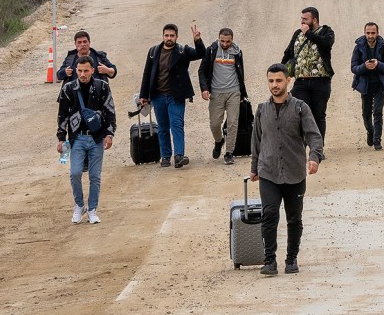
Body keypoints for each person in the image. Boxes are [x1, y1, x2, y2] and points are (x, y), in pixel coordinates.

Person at [250, 63, 324, 275]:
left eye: (279, 80)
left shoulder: (301, 108)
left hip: (294, 173)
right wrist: (254, 167)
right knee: (270, 214)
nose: (274, 85)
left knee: (294, 218)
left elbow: (313, 135)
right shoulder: (262, 109)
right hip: (268, 172)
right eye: (271, 81)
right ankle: (269, 260)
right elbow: (256, 140)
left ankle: (291, 259)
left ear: (288, 81)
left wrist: (314, 157)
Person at [56, 56, 116, 224]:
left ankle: (92, 209)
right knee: (75, 173)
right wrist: (61, 138)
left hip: (96, 138)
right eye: (80, 71)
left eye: (86, 71)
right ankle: (79, 205)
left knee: (95, 176)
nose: (83, 74)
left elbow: (110, 112)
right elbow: (62, 115)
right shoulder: (68, 89)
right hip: (77, 138)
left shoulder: (102, 87)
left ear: (93, 70)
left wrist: (109, 134)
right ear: (76, 71)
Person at [139, 23, 205, 168]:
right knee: (163, 127)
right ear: (162, 36)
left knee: (177, 125)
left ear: (177, 37)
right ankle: (165, 156)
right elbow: (147, 74)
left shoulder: (183, 51)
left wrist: (197, 40)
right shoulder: (153, 52)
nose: (169, 38)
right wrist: (143, 95)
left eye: (172, 36)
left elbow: (201, 54)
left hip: (176, 96)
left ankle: (179, 156)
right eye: (166, 35)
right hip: (158, 96)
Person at [280, 7, 335, 145]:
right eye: (302, 18)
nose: (302, 21)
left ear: (314, 20)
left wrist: (309, 34)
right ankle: (301, 148)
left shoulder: (326, 32)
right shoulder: (298, 34)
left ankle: (317, 148)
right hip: (301, 83)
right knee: (300, 114)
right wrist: (280, 70)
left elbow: (326, 44)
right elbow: (288, 54)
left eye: (306, 19)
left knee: (319, 116)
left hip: (321, 82)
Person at [198, 27, 248, 165]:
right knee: (214, 124)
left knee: (233, 123)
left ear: (232, 40)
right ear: (218, 38)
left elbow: (240, 72)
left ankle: (229, 153)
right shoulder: (212, 50)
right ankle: (219, 141)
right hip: (216, 93)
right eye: (222, 41)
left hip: (234, 92)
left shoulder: (237, 52)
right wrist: (204, 88)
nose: (225, 44)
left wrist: (243, 93)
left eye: (228, 41)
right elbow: (202, 70)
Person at [350, 22, 384, 150]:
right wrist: (364, 66)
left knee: (378, 112)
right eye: (368, 33)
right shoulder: (358, 48)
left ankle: (377, 140)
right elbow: (353, 67)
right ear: (364, 33)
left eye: (373, 33)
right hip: (365, 85)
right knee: (366, 113)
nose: (370, 35)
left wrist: (378, 64)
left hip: (380, 84)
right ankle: (370, 131)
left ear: (377, 33)